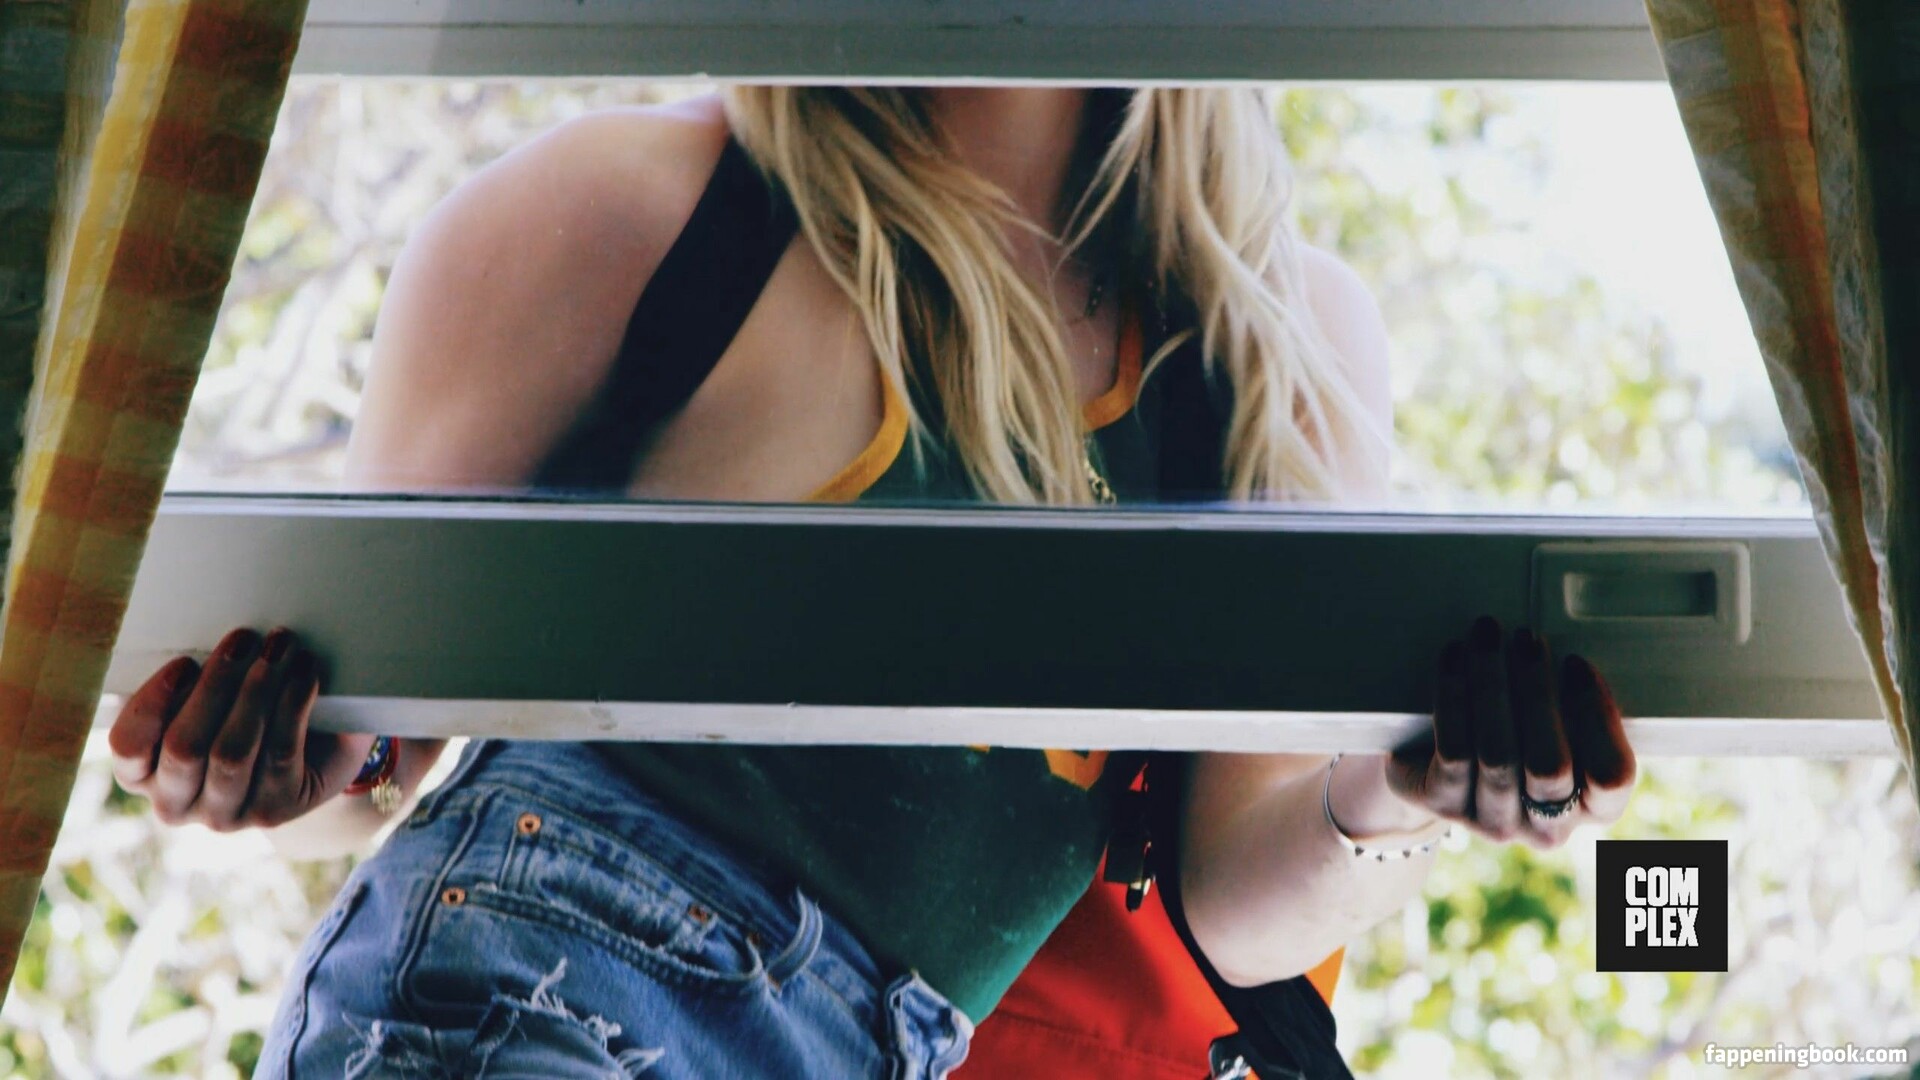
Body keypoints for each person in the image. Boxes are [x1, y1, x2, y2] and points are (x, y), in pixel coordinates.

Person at [107, 87, 1637, 1078]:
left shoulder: (1266, 349)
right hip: (560, 977)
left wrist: (1412, 785)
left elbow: (1233, 910)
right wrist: (272, 765)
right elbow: (366, 748)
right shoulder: (642, 207)